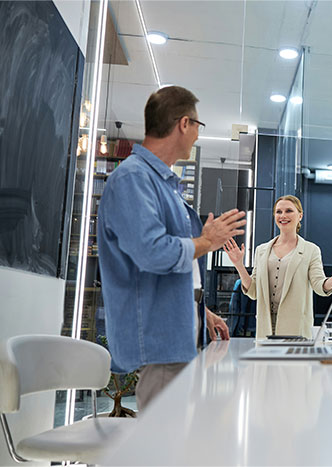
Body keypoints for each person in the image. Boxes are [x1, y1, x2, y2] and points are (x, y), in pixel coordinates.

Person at [97, 86, 246, 410]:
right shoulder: (133, 179)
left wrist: (198, 310)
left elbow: (172, 264)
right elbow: (153, 252)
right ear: (183, 124)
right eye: (197, 127)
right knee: (163, 448)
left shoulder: (160, 183)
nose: (196, 136)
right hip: (159, 341)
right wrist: (207, 241)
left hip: (177, 333)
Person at [224, 195, 332, 339]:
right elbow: (253, 291)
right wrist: (239, 265)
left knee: (293, 362)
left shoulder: (311, 250)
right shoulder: (261, 250)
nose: (283, 215)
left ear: (300, 216)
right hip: (265, 329)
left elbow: (319, 286)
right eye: (278, 212)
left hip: (295, 329)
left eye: (289, 211)